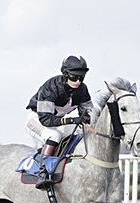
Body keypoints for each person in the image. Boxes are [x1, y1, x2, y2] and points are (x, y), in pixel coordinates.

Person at [25, 55, 94, 189]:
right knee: (54, 136)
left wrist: (86, 118)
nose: (78, 81)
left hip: (56, 121)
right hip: (37, 120)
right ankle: (43, 173)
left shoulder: (82, 89)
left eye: (81, 77)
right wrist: (73, 119)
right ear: (65, 74)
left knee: (80, 133)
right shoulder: (50, 87)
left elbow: (88, 112)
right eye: (74, 77)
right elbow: (46, 119)